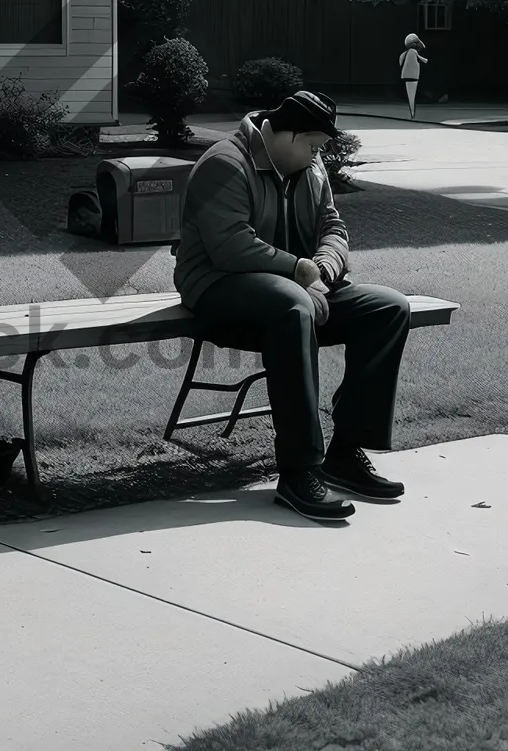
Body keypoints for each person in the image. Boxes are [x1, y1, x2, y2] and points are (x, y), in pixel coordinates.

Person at [172, 89, 413, 522]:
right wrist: (301, 272)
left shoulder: (310, 167)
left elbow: (333, 227)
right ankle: (299, 471)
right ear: (286, 136)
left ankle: (344, 453)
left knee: (389, 307)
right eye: (314, 146)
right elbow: (229, 247)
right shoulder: (224, 163)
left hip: (297, 291)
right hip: (217, 288)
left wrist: (322, 269)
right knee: (292, 305)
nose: (318, 155)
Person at [399, 33, 428, 119]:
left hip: (406, 75)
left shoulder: (404, 53)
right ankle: (412, 112)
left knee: (410, 95)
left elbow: (400, 61)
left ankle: (412, 112)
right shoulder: (413, 52)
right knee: (412, 95)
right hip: (413, 76)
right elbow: (424, 60)